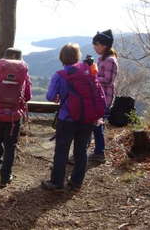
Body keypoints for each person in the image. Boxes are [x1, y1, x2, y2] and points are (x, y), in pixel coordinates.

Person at [41, 43, 105, 192]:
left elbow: (50, 96)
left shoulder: (59, 75)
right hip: (87, 119)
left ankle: (57, 183)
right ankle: (76, 182)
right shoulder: (89, 72)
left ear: (61, 57)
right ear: (77, 57)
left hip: (67, 118)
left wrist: (58, 96)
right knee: (81, 151)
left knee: (61, 151)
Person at [0, 48, 32, 186]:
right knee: (11, 145)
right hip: (14, 117)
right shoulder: (24, 76)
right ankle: (5, 176)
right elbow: (28, 96)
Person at [88, 29, 119, 163]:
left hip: (104, 99)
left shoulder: (110, 60)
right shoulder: (101, 59)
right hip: (97, 97)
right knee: (93, 124)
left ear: (104, 45)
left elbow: (108, 80)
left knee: (97, 125)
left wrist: (92, 76)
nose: (94, 47)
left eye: (96, 44)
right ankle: (88, 151)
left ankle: (99, 153)